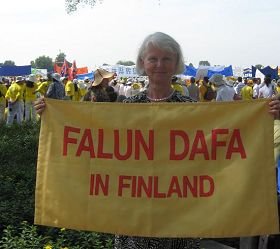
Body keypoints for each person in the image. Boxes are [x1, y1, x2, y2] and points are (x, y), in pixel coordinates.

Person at [34, 32, 280, 249]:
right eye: (153, 58)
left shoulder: (192, 110)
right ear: (143, 63)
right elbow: (100, 144)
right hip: (133, 220)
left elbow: (220, 147)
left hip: (181, 220)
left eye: (166, 59)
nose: (159, 65)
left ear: (176, 64)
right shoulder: (127, 108)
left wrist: (265, 114)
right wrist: (51, 113)